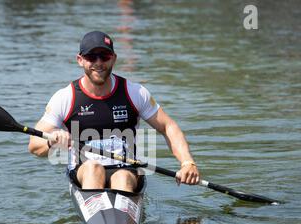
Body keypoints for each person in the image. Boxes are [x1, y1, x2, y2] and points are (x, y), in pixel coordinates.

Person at [28, 31, 200, 192]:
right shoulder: (65, 97)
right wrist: (52, 142)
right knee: (93, 168)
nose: (98, 63)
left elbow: (167, 126)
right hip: (84, 171)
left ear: (114, 59)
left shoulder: (134, 93)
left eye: (104, 56)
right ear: (80, 60)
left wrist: (187, 162)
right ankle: (100, 215)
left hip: (127, 170)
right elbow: (34, 145)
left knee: (122, 176)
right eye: (91, 57)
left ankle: (120, 218)